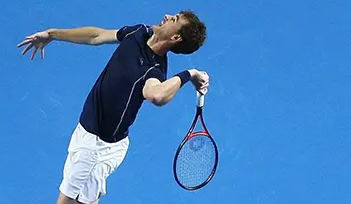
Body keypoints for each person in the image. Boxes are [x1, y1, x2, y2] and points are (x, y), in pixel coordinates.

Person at [17, 11, 210, 204]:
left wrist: (190, 73)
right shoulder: (139, 32)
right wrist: (52, 34)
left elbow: (157, 95)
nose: (167, 16)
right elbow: (97, 36)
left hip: (96, 146)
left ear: (176, 37)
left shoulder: (154, 70)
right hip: (94, 136)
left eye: (174, 19)